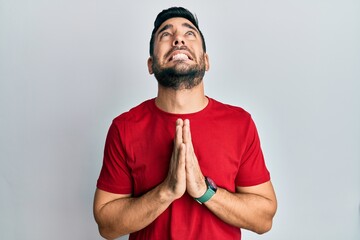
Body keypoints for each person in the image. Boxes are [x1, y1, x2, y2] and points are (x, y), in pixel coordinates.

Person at [93, 7, 277, 240]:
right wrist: (167, 190)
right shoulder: (124, 128)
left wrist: (203, 190)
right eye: (165, 35)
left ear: (206, 61)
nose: (178, 38)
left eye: (189, 33)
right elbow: (107, 226)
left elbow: (264, 220)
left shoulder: (240, 123)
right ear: (151, 65)